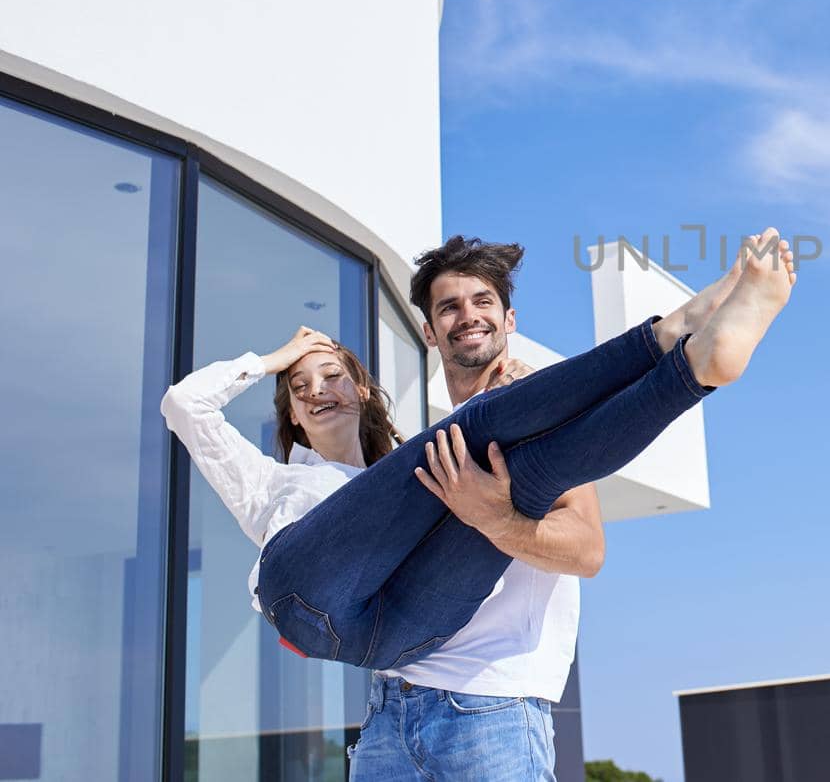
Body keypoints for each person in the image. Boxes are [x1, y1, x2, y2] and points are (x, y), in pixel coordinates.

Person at [161, 230, 793, 781]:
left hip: (445, 675)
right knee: (477, 431)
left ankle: (697, 365)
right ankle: (672, 340)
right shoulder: (283, 479)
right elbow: (187, 407)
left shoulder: (413, 458)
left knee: (521, 469)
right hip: (320, 614)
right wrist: (274, 359)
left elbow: (589, 551)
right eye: (300, 390)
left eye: (482, 302)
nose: (318, 393)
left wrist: (490, 512)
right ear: (431, 332)